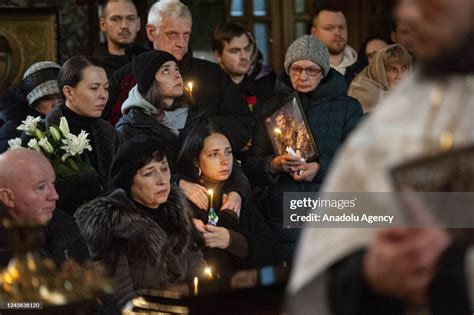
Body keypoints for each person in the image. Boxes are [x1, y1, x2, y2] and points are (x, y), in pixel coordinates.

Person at [289, 0, 474, 313]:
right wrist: (370, 270)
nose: (408, 13)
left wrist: (448, 272)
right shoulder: (393, 117)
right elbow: (330, 253)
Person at [244, 35, 362, 262]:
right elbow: (251, 164)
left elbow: (358, 161)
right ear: (288, 70)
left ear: (324, 72)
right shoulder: (270, 107)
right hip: (283, 210)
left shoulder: (348, 108)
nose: (303, 76)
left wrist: (319, 167)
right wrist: (273, 165)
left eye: (312, 70)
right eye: (296, 69)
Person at [75, 136, 206, 311]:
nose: (162, 180)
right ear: (129, 180)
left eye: (164, 169)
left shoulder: (177, 211)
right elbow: (121, 297)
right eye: (149, 173)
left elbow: (198, 269)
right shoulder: (112, 224)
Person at [105, 0, 253, 152]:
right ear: (151, 32)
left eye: (186, 34)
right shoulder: (127, 76)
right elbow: (105, 126)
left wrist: (200, 129)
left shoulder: (212, 74)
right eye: (172, 34)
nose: (181, 43)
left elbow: (243, 123)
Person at [116, 49, 249, 217]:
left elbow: (230, 163)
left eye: (177, 69)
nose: (177, 75)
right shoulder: (131, 128)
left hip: (208, 207)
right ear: (149, 82)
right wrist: (179, 184)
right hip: (162, 215)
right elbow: (131, 182)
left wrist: (238, 193)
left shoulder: (196, 117)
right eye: (166, 70)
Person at [175, 125, 281, 277]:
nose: (225, 161)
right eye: (213, 155)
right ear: (195, 161)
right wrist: (227, 221)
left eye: (228, 152)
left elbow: (270, 249)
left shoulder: (236, 194)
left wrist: (232, 240)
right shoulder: (185, 198)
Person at [36, 55, 121, 214]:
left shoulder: (111, 135)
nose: (103, 95)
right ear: (69, 92)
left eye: (106, 88)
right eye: (94, 88)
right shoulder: (41, 135)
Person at [0, 148, 90, 267]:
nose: (54, 195)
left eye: (53, 183)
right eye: (40, 188)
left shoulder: (64, 223)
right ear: (7, 197)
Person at [212, 22, 274, 114]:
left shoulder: (265, 92)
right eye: (235, 51)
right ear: (218, 56)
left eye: (247, 49)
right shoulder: (209, 93)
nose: (244, 56)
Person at [0, 61, 61, 153]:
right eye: (48, 98)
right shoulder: (12, 131)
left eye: (61, 98)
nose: (57, 104)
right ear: (33, 102)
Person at [349, 44, 412, 113]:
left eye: (404, 69)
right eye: (392, 70)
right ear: (379, 71)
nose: (400, 76)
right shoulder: (361, 90)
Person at [310, 5, 362, 84]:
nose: (338, 33)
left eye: (341, 27)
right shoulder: (301, 71)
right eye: (329, 28)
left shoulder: (362, 71)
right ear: (314, 33)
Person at [94, 0, 141, 78]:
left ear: (138, 24)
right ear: (103, 25)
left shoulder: (151, 63)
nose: (124, 26)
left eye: (130, 18)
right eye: (116, 19)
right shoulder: (92, 69)